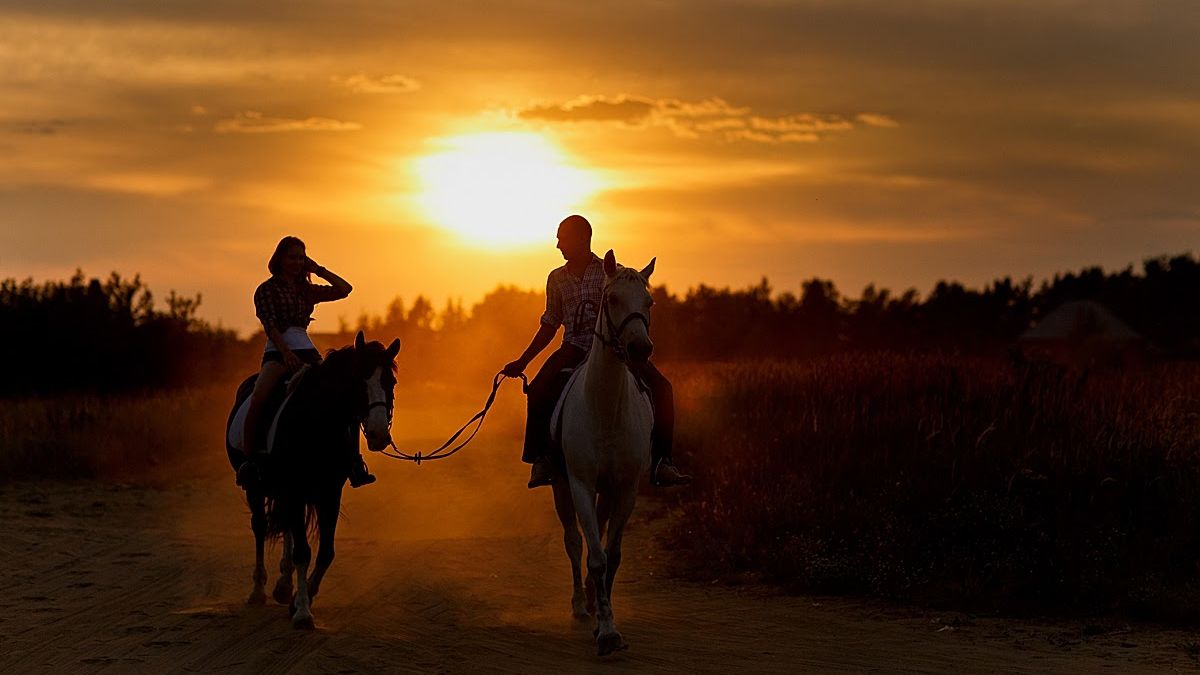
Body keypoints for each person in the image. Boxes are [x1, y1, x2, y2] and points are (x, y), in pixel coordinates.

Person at [502, 215, 691, 489]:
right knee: (540, 388)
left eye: (562, 238)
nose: (557, 245)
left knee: (662, 388)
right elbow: (551, 322)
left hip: (613, 350)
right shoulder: (556, 279)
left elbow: (632, 309)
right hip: (574, 347)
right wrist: (523, 361)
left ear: (582, 238)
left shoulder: (613, 273)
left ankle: (663, 462)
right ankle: (540, 457)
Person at [236, 236, 376, 489]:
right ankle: (250, 462)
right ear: (279, 259)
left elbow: (345, 289)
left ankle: (354, 461)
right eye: (292, 257)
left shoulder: (306, 289)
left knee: (344, 396)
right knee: (258, 396)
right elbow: (270, 326)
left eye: (301, 257)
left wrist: (318, 269)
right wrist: (286, 353)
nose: (297, 262)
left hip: (308, 351)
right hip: (278, 352)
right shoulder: (266, 289)